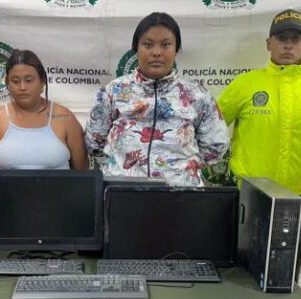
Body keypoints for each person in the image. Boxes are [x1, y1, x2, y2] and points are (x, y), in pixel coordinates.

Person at [217, 9, 301, 275]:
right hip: (248, 196)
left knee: (285, 273)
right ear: (268, 43)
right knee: (238, 270)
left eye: (296, 38)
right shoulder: (246, 85)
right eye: (281, 37)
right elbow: (212, 125)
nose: (288, 44)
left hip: (296, 195)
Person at [85, 12, 229, 186]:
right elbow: (95, 142)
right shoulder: (112, 93)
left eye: (166, 45)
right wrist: (119, 167)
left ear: (175, 50)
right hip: (122, 192)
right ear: (136, 48)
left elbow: (216, 145)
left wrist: (182, 170)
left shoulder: (197, 95)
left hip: (181, 195)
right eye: (148, 44)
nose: (156, 53)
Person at [0, 49, 88, 170]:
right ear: (7, 84)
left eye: (29, 80)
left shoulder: (65, 118)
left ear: (42, 81)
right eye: (15, 81)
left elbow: (82, 174)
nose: (22, 87)